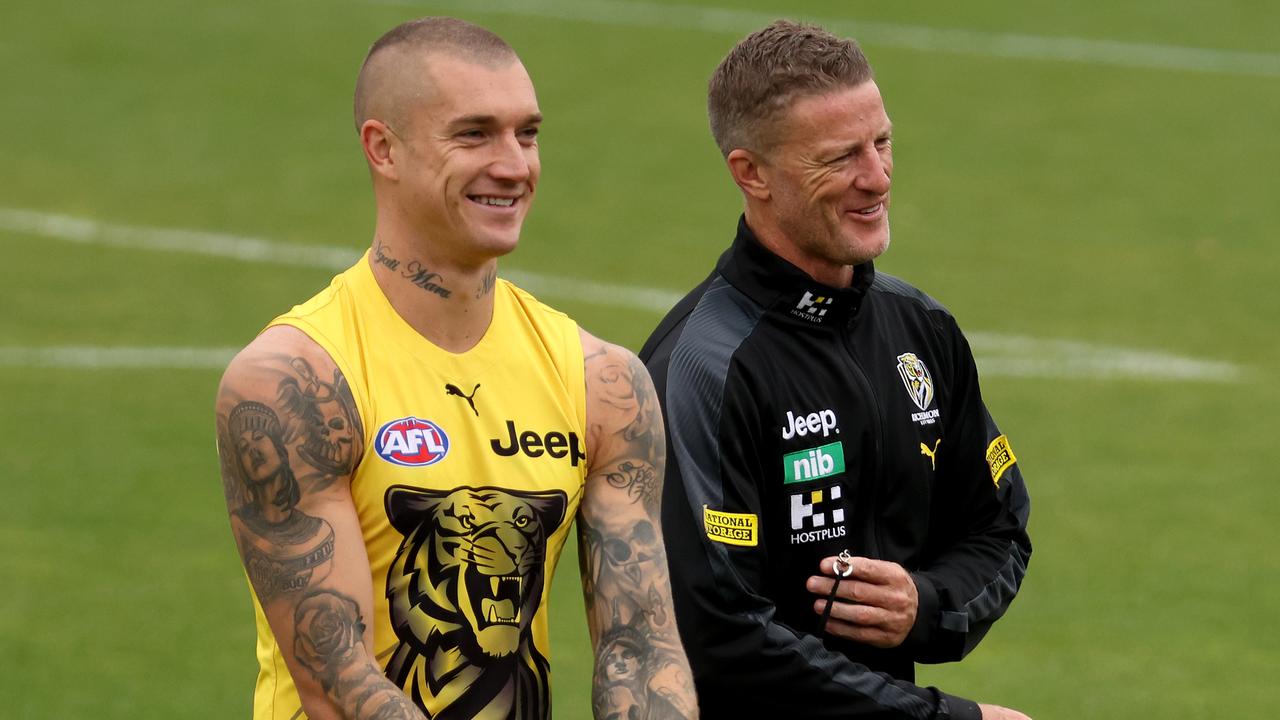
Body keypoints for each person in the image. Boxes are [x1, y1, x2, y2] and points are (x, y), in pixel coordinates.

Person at [215, 17, 696, 720]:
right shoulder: (294, 385)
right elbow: (335, 679)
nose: (514, 164)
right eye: (474, 134)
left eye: (527, 134)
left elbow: (640, 647)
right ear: (384, 149)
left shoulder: (603, 383)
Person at [639, 20, 1033, 720]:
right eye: (839, 157)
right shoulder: (700, 370)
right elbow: (719, 637)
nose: (877, 177)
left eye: (882, 142)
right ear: (750, 173)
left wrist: (927, 606)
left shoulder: (921, 331)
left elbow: (996, 526)